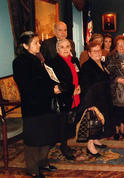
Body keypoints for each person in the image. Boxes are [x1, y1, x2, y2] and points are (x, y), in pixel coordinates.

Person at [13, 31, 59, 177]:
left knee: (45, 135)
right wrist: (51, 90)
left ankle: (43, 162)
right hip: (32, 105)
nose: (39, 45)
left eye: (39, 42)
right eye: (35, 43)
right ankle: (33, 169)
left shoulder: (37, 58)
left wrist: (55, 86)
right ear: (25, 45)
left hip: (45, 102)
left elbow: (46, 78)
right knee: (33, 138)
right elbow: (28, 87)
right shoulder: (19, 62)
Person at [45, 39, 81, 160]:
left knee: (71, 121)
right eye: (62, 47)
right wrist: (72, 90)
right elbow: (58, 82)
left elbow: (79, 75)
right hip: (63, 98)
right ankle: (63, 147)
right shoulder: (52, 63)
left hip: (75, 95)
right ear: (57, 49)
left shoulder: (74, 60)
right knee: (63, 124)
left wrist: (79, 86)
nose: (65, 49)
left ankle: (66, 144)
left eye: (67, 46)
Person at [78, 41, 113, 157]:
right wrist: (90, 104)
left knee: (101, 121)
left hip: (103, 98)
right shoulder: (87, 66)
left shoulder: (102, 63)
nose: (98, 53)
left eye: (99, 50)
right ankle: (90, 145)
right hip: (93, 99)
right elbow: (86, 86)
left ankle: (96, 139)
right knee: (92, 122)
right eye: (94, 51)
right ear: (89, 53)